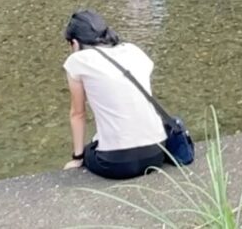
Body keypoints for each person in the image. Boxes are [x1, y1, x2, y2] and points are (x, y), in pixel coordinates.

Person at [61, 10, 167, 179]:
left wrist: (77, 158)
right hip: (157, 153)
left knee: (91, 150)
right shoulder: (134, 51)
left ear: (74, 42)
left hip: (116, 163)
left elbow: (78, 114)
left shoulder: (78, 61)